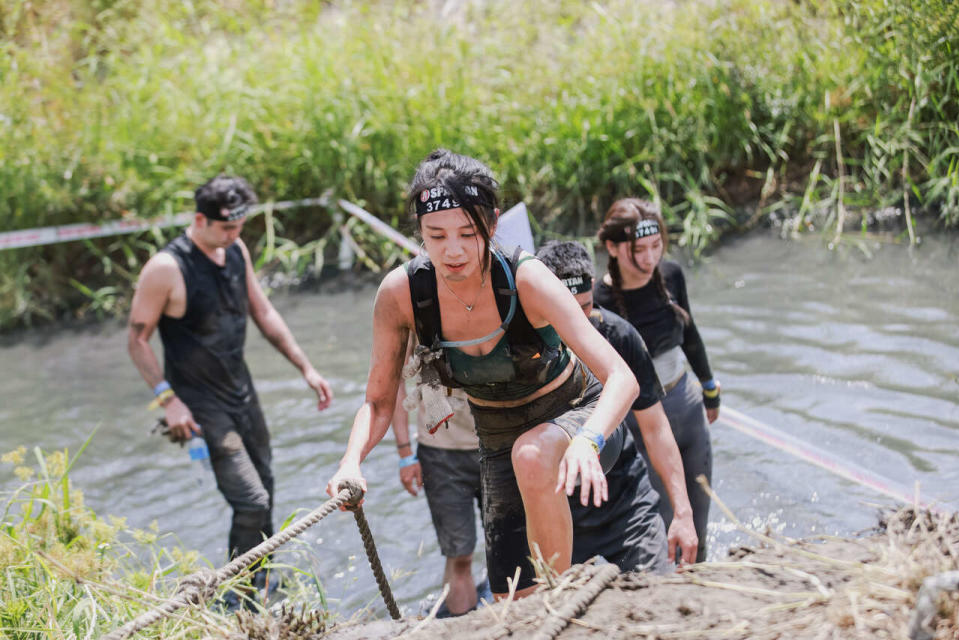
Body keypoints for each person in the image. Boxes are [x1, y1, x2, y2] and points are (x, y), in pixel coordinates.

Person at [326, 149, 639, 600]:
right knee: (513, 597)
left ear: (492, 226)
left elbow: (621, 378)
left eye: (468, 234)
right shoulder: (402, 294)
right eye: (436, 236)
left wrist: (590, 440)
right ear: (420, 234)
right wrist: (350, 461)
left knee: (532, 457)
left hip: (578, 416)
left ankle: (563, 604)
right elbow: (378, 400)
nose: (452, 251)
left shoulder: (527, 279)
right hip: (497, 440)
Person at [127, 175, 334, 576]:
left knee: (268, 490)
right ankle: (234, 594)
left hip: (242, 393)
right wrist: (168, 400)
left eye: (240, 226)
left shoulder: (235, 248)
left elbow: (263, 312)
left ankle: (263, 588)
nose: (235, 234)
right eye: (226, 227)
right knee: (252, 501)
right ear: (200, 220)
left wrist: (305, 367)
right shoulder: (167, 269)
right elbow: (137, 341)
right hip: (200, 404)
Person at [536, 240, 698, 568]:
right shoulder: (522, 346)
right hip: (560, 512)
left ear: (593, 289)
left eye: (584, 307)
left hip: (626, 504)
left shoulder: (620, 335)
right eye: (564, 310)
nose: (576, 322)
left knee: (658, 596)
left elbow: (655, 428)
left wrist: (682, 511)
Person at [594, 198, 720, 562]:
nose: (650, 259)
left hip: (685, 403)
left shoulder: (671, 275)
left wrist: (709, 388)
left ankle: (702, 585)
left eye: (656, 246)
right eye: (639, 250)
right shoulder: (597, 301)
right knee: (665, 517)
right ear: (613, 248)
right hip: (639, 421)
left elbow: (691, 334)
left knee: (697, 512)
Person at [391, 366, 487, 616]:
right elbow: (394, 382)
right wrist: (404, 454)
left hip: (501, 441)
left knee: (510, 545)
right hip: (441, 453)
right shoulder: (413, 324)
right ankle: (461, 625)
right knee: (459, 555)